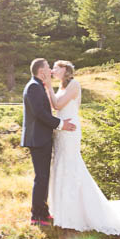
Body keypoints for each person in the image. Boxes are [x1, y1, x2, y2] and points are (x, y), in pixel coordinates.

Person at [42, 59, 120, 234]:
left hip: (71, 130)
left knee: (71, 165)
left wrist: (47, 86)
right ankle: (62, 211)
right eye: (52, 68)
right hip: (62, 130)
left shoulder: (74, 84)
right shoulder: (60, 87)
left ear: (64, 69)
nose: (53, 70)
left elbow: (57, 105)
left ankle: (78, 213)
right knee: (60, 166)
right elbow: (54, 106)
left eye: (56, 67)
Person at [21, 57, 75, 226]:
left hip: (41, 137)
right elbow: (40, 114)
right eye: (47, 67)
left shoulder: (37, 86)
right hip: (37, 139)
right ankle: (36, 216)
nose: (50, 71)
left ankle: (43, 212)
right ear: (41, 71)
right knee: (41, 177)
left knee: (44, 176)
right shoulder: (34, 87)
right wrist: (61, 124)